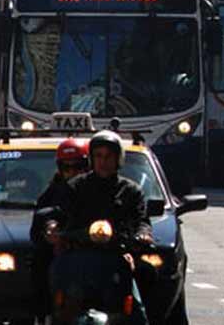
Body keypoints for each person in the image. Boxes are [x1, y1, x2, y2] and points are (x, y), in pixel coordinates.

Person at [49, 130, 153, 324]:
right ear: (91, 159)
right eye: (98, 156)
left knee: (138, 311)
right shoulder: (75, 186)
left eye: (108, 157)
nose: (103, 161)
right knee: (59, 301)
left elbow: (141, 221)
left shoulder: (131, 191)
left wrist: (143, 235)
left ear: (118, 159)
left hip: (115, 258)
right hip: (78, 260)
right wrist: (54, 228)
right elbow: (58, 215)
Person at [29, 138, 89, 322]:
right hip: (65, 251)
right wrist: (50, 228)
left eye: (78, 167)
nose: (72, 173)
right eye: (66, 167)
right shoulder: (53, 192)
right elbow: (41, 219)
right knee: (40, 262)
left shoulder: (108, 188)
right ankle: (45, 314)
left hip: (98, 249)